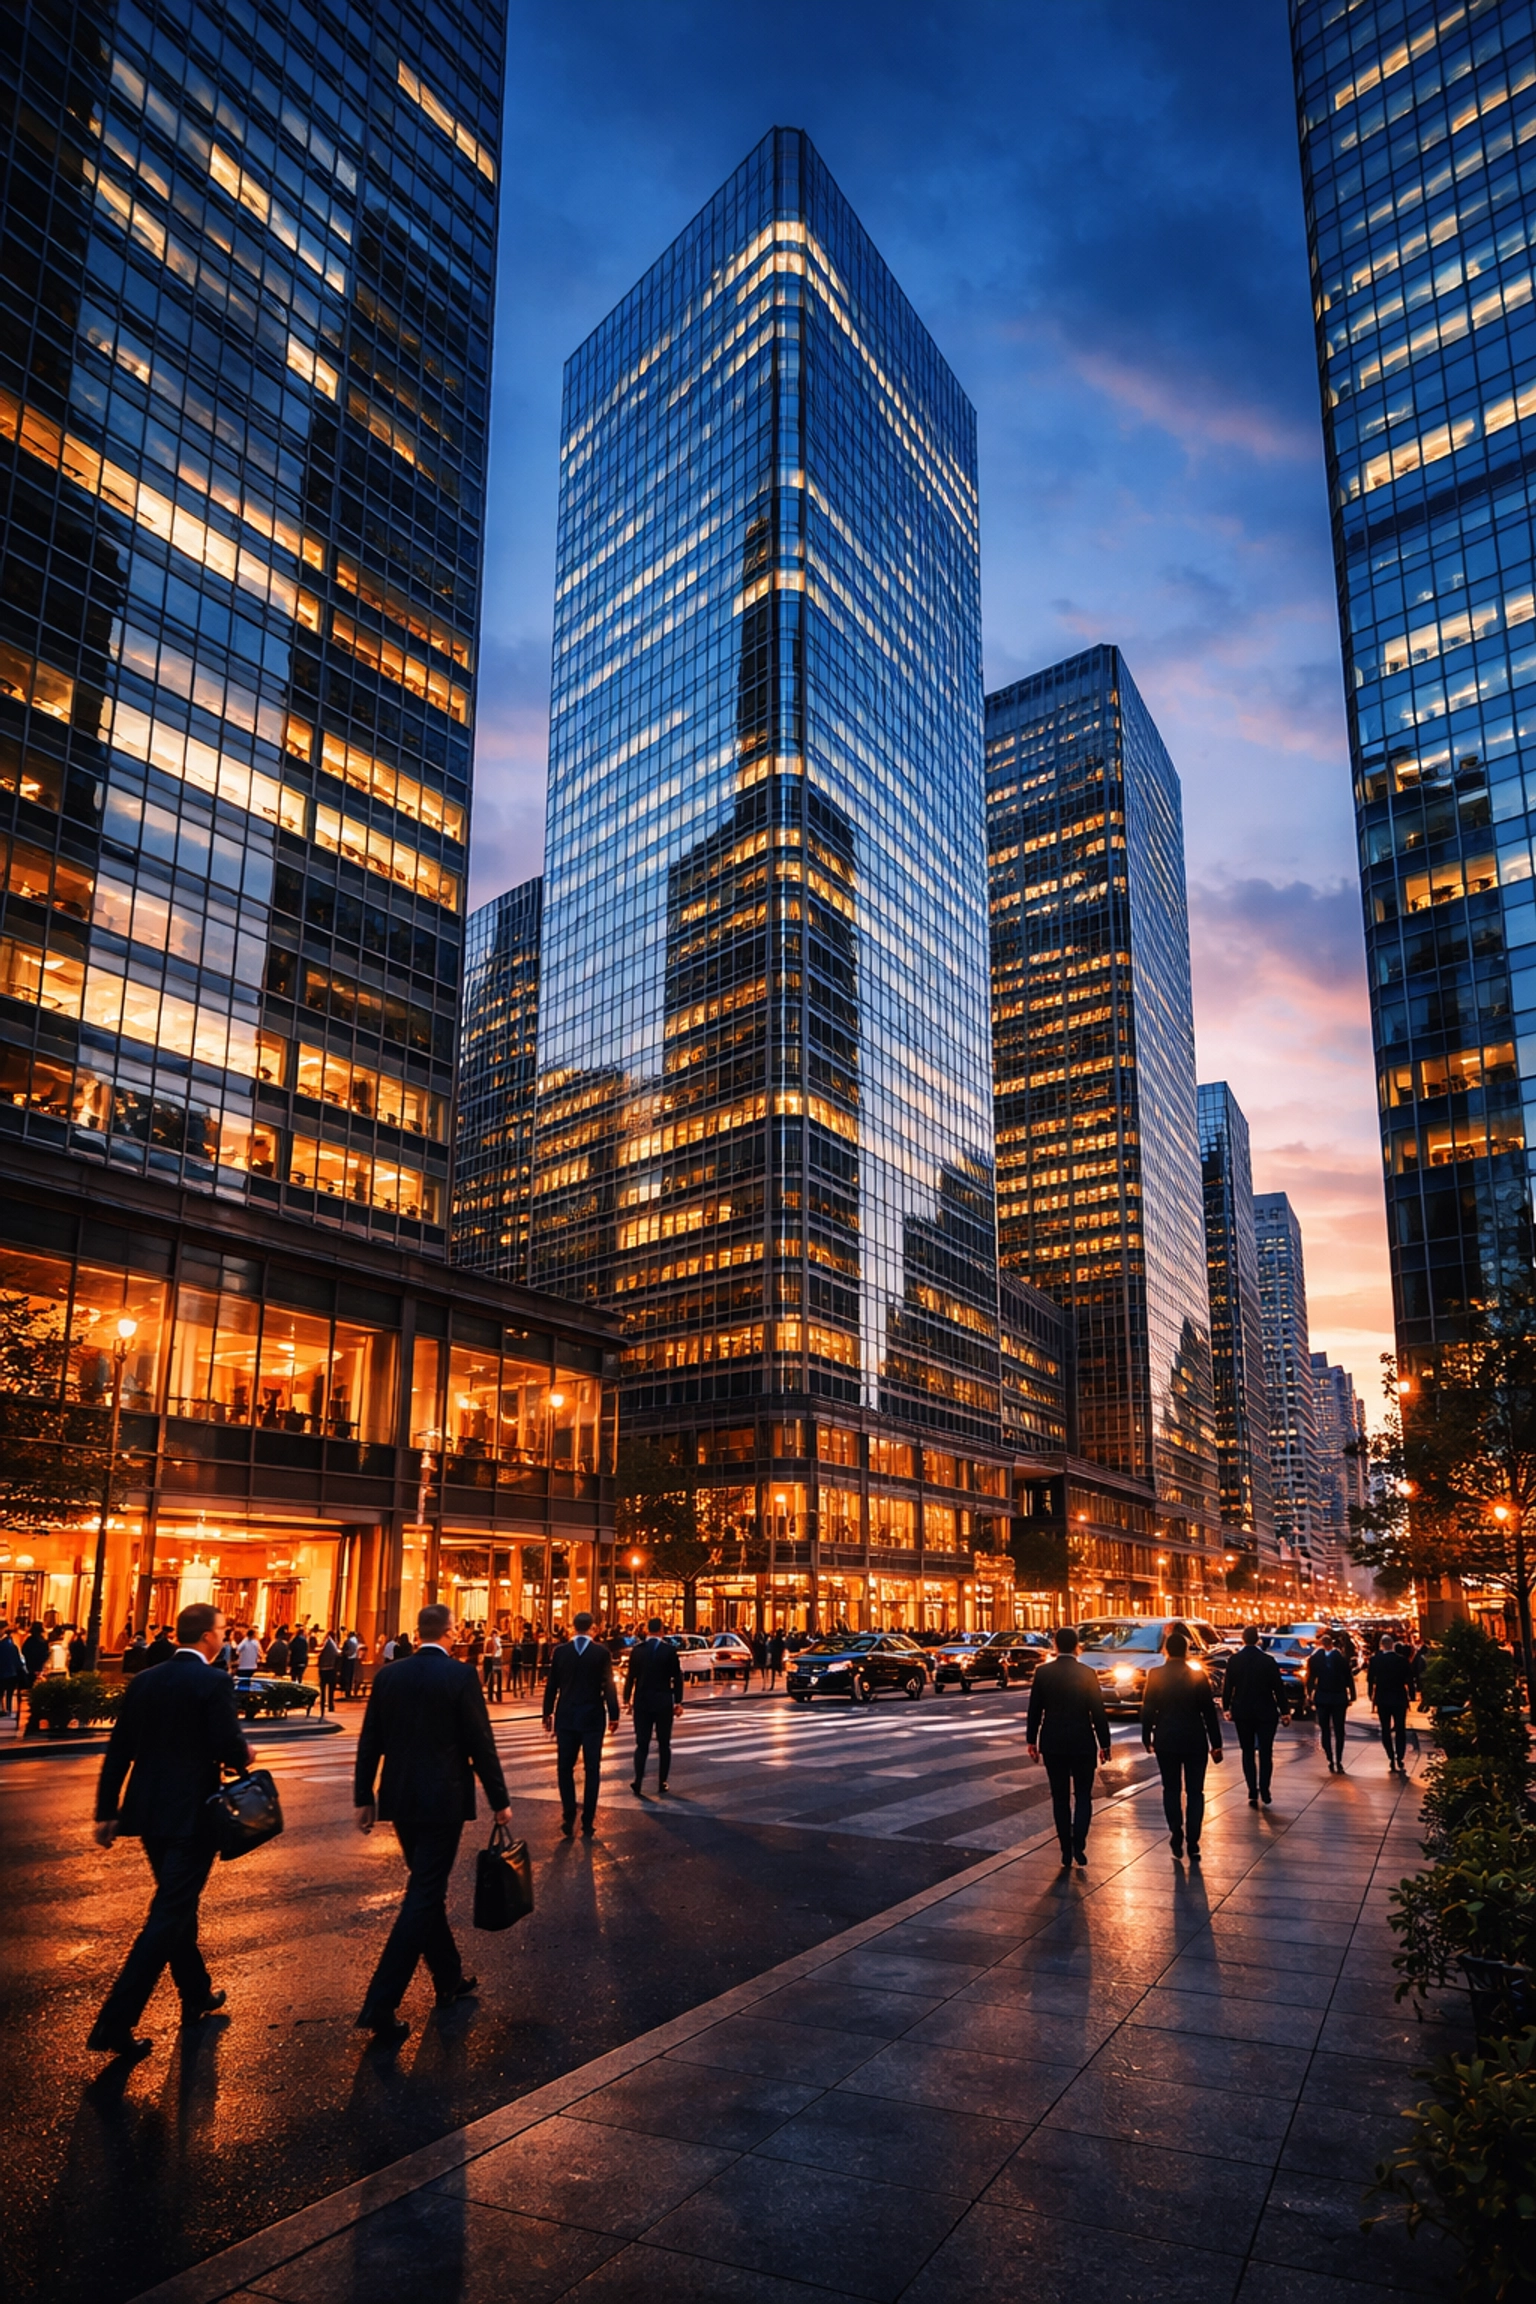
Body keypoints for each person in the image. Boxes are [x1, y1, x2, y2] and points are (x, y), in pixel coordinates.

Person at [88, 1602, 252, 2060]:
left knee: (176, 1906)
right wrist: (246, 1752)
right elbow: (227, 1746)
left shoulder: (145, 1680)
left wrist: (107, 1809)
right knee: (167, 1914)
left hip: (148, 1813)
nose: (226, 1639)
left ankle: (195, 1990)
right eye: (223, 1631)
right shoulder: (214, 1681)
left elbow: (119, 1749)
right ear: (206, 1637)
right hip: (193, 1816)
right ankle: (115, 2023)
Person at [352, 1602, 511, 2046]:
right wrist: (500, 1799)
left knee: (426, 1887)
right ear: (451, 1632)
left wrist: (364, 1796)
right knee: (423, 1895)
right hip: (444, 1798)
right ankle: (381, 2002)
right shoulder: (460, 1676)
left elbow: (370, 1742)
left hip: (399, 1798)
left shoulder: (388, 1676)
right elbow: (481, 1741)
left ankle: (448, 1977)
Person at [1025, 1626, 1113, 1870]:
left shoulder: (1043, 1673)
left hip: (1052, 1742)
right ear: (1077, 1646)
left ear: (1055, 1645)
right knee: (1084, 1796)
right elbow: (1098, 1712)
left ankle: (1065, 1849)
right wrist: (1104, 1743)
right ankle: (1079, 1844)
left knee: (1060, 1798)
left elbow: (1035, 1711)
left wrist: (1031, 1740)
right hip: (1082, 1741)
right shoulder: (1087, 1673)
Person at [1141, 1628, 1224, 1860]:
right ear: (1187, 1651)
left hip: (1166, 1738)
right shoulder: (1197, 1676)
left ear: (1166, 1650)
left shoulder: (1155, 1674)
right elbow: (1209, 1712)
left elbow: (1148, 1708)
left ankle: (1175, 1830)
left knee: (1171, 1788)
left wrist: (1146, 1735)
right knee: (1195, 1791)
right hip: (1194, 1739)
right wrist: (1216, 1743)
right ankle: (1193, 1840)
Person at [542, 1611, 619, 1836]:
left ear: (572, 1627)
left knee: (564, 1767)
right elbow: (609, 1685)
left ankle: (568, 1814)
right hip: (593, 1716)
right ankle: (588, 1820)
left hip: (566, 1716)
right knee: (592, 1769)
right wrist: (613, 1714)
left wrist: (547, 1713)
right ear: (593, 1627)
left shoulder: (560, 1652)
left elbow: (552, 1685)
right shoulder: (601, 1652)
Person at [1222, 1626, 1285, 1807]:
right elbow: (1278, 1688)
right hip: (1266, 1711)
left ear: (1242, 1639)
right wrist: (1285, 1710)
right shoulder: (1268, 1660)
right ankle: (1264, 1788)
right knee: (1266, 1752)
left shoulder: (1234, 1660)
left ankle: (1251, 1790)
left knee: (1247, 1752)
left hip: (1243, 1712)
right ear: (1258, 1640)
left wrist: (1226, 1707)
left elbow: (1228, 1687)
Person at [624, 1618, 685, 1796]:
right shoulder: (669, 1651)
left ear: (647, 1630)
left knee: (641, 1743)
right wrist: (678, 1701)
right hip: (663, 1701)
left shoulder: (638, 1651)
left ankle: (638, 1780)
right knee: (664, 1743)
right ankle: (662, 1781)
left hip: (642, 1701)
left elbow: (630, 1677)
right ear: (661, 1631)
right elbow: (677, 1677)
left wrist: (626, 1699)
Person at [1366, 1632, 1417, 1774]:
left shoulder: (1375, 1660)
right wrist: (1411, 1697)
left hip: (1382, 1698)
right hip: (1399, 1698)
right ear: (1393, 1645)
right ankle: (1400, 1755)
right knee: (1400, 1728)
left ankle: (1390, 1755)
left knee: (1385, 1728)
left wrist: (1371, 1695)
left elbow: (1370, 1679)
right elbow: (1409, 1680)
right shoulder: (1402, 1660)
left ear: (1382, 1645)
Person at [1307, 1631, 1357, 1774]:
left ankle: (1329, 1756)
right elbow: (1349, 1677)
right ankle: (1339, 1758)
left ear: (1322, 1644)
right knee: (1339, 1729)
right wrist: (1351, 1695)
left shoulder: (1315, 1658)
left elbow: (1311, 1678)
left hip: (1322, 1697)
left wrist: (1310, 1693)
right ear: (1332, 1644)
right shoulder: (1341, 1658)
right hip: (1338, 1697)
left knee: (1325, 1729)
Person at [317, 1633, 341, 1715]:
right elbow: (337, 1655)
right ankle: (330, 1705)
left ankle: (323, 1704)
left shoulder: (327, 1644)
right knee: (331, 1689)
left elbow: (321, 1656)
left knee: (323, 1688)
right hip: (331, 1669)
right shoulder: (333, 1645)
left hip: (324, 1669)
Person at [0, 1626, 21, 1714]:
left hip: (2, 1673)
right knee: (10, 1693)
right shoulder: (14, 1647)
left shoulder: (1, 1646)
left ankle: (2, 1708)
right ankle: (9, 1708)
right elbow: (18, 1661)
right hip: (12, 1673)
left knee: (1, 1692)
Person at [483, 1628, 502, 1704]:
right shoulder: (493, 1641)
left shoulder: (488, 1640)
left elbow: (485, 1651)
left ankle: (491, 1695)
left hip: (490, 1659)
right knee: (493, 1676)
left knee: (489, 1675)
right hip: (494, 1660)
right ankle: (497, 1696)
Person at [340, 1631, 360, 1700]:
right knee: (351, 1676)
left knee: (346, 1676)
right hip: (353, 1660)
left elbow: (344, 1651)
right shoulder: (356, 1641)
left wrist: (344, 1653)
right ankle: (348, 1692)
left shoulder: (348, 1642)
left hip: (347, 1661)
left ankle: (346, 1690)